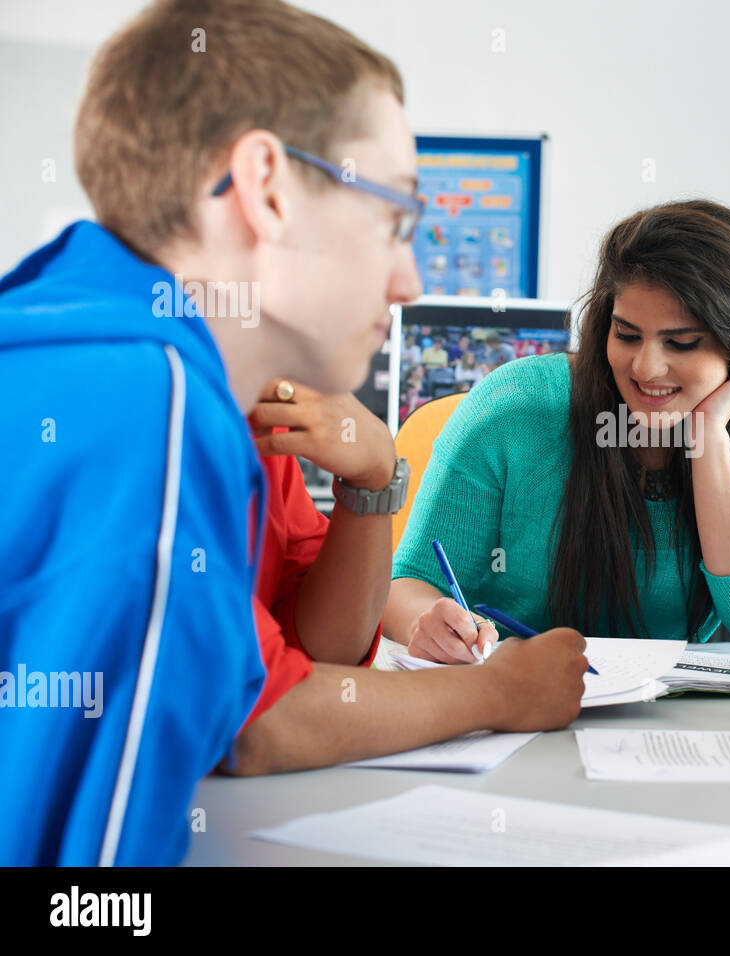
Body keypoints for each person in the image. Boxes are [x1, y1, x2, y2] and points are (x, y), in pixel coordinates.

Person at [0, 0, 424, 864]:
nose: (408, 278)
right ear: (265, 186)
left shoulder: (90, 345)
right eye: (396, 218)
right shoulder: (152, 405)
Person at [384, 200, 730, 661]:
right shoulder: (516, 409)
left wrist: (708, 438)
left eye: (681, 343)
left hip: (660, 716)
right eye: (627, 335)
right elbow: (410, 582)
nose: (646, 368)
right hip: (509, 693)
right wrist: (424, 624)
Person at [226, 380, 586, 775]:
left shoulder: (252, 414)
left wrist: (374, 480)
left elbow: (324, 656)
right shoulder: (177, 409)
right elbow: (250, 716)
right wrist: (500, 690)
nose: (397, 312)